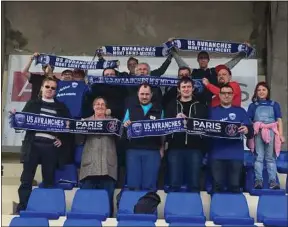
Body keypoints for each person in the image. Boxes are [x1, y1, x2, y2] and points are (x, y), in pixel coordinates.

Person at [15, 77, 70, 213]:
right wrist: (15, 118)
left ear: (56, 91)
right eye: (47, 86)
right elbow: (21, 123)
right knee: (27, 179)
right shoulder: (32, 104)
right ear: (41, 88)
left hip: (50, 145)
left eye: (53, 88)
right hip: (33, 144)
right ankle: (23, 208)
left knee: (49, 180)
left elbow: (69, 126)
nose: (50, 90)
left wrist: (61, 138)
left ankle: (46, 208)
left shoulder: (61, 107)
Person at [165, 77, 209, 192]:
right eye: (183, 87)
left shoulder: (201, 106)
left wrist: (190, 121)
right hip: (175, 148)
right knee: (174, 183)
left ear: (193, 88)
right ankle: (174, 210)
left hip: (195, 148)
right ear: (179, 89)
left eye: (189, 87)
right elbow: (164, 126)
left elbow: (206, 128)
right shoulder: (171, 105)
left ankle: (193, 209)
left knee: (194, 184)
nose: (186, 89)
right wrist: (175, 120)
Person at [172, 42, 248, 105]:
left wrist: (243, 53)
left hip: (214, 104)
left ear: (208, 60)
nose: (203, 60)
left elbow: (230, 65)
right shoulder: (194, 72)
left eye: (205, 58)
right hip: (197, 104)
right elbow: (183, 66)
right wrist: (172, 49)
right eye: (201, 58)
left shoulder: (215, 71)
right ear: (198, 60)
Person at [209, 84, 253, 193]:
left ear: (233, 95)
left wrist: (247, 130)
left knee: (235, 186)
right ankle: (217, 210)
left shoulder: (241, 111)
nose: (226, 95)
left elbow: (251, 132)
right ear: (219, 95)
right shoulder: (211, 111)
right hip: (217, 155)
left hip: (235, 155)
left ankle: (234, 210)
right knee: (217, 187)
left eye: (229, 93)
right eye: (223, 93)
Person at [79, 97, 117, 214]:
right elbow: (79, 141)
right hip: (89, 168)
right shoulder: (85, 121)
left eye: (102, 104)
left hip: (108, 168)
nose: (100, 106)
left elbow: (121, 141)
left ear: (106, 108)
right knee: (87, 203)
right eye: (97, 104)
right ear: (93, 107)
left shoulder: (114, 122)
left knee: (106, 203)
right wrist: (80, 127)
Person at [123, 83, 164, 190]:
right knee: (133, 184)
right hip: (133, 150)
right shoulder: (130, 108)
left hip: (153, 150)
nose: (144, 97)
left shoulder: (159, 109)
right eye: (142, 94)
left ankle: (149, 207)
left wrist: (162, 148)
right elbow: (123, 127)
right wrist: (125, 125)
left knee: (149, 185)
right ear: (137, 94)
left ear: (151, 95)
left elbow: (164, 131)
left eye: (147, 94)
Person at [247, 82, 285, 189]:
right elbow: (249, 121)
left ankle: (272, 181)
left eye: (263, 89)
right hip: (257, 132)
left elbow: (279, 120)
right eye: (259, 90)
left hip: (272, 133)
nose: (261, 92)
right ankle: (258, 181)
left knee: (270, 158)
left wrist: (281, 134)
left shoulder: (274, 104)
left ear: (267, 91)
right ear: (256, 92)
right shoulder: (253, 105)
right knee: (258, 157)